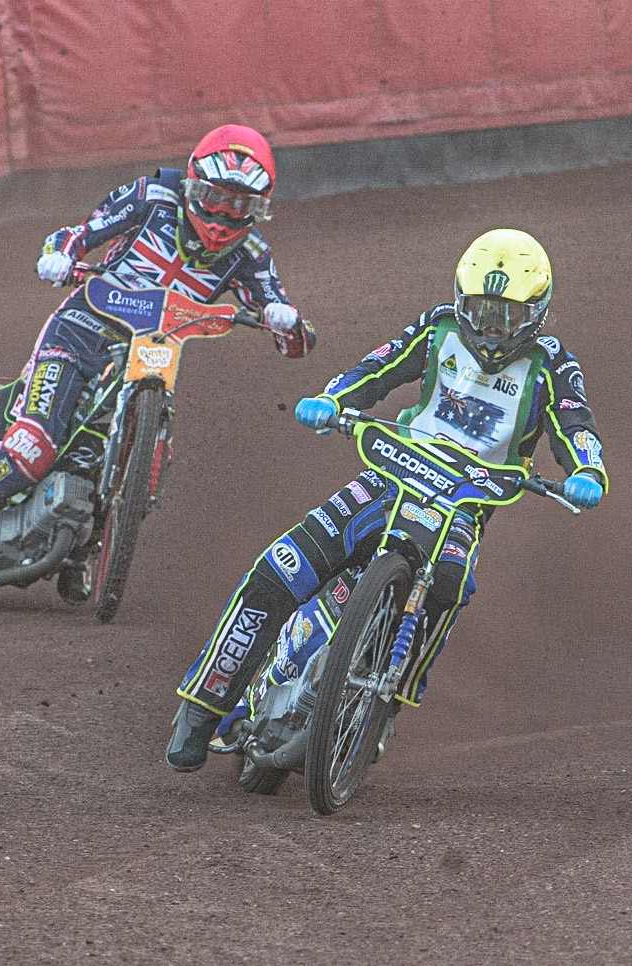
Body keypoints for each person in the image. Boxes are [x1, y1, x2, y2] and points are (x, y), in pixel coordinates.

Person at [165, 228, 607, 771]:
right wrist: (332, 400)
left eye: (507, 315)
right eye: (480, 309)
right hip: (390, 478)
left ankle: (388, 697)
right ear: (460, 297)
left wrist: (587, 468)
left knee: (449, 584)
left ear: (536, 313)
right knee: (279, 570)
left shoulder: (553, 365)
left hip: (463, 505)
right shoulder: (439, 326)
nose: (491, 327)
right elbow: (380, 366)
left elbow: (575, 423)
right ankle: (204, 706)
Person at [0, 124, 315, 597]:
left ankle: (85, 548)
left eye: (240, 205)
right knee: (34, 445)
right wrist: (56, 256)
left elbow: (293, 341)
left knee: (154, 455)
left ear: (259, 207)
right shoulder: (152, 195)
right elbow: (77, 234)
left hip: (153, 351)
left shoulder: (252, 254)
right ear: (195, 184)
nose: (222, 216)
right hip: (82, 330)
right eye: (216, 198)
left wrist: (286, 320)